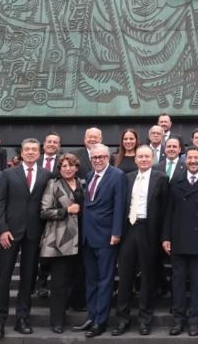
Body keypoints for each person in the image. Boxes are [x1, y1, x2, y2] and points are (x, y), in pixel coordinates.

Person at [0, 138, 49, 338]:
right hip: (10, 233)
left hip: (34, 234)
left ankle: (22, 318)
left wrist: (44, 233)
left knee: (28, 279)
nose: (31, 152)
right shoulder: (8, 174)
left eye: (34, 149)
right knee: (4, 278)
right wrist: (2, 230)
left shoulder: (46, 175)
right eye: (27, 150)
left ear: (39, 153)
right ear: (21, 153)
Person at [162, 147, 198, 336]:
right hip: (178, 238)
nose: (193, 161)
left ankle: (194, 321)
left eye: (197, 158)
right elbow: (168, 211)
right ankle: (178, 320)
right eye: (190, 158)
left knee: (197, 283)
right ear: (185, 160)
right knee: (177, 282)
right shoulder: (176, 180)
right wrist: (166, 237)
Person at [113, 146, 169, 336]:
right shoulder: (127, 178)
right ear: (135, 159)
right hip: (129, 230)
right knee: (125, 278)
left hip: (149, 231)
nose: (143, 159)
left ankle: (145, 320)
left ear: (152, 158)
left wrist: (164, 236)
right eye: (140, 157)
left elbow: (165, 211)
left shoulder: (161, 178)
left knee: (147, 278)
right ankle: (122, 319)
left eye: (147, 156)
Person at [73, 144, 126, 337]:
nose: (97, 160)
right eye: (94, 157)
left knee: (105, 280)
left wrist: (117, 232)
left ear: (108, 157)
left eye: (101, 157)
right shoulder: (89, 176)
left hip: (106, 237)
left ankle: (100, 322)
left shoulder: (117, 175)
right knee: (91, 280)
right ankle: (91, 316)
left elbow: (119, 205)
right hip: (88, 236)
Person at [39, 153, 85, 334]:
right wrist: (65, 210)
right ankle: (57, 321)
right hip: (60, 240)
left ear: (76, 167)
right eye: (64, 166)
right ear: (59, 169)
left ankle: (75, 304)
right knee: (59, 282)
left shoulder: (83, 183)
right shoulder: (53, 184)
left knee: (76, 277)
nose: (68, 169)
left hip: (81, 237)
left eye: (71, 165)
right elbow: (44, 211)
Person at [35, 132, 62, 298]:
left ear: (59, 146)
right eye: (49, 141)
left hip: (54, 215)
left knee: (49, 252)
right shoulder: (34, 161)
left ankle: (43, 283)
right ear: (44, 144)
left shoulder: (63, 163)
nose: (52, 144)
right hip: (34, 215)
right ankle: (33, 283)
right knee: (34, 253)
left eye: (55, 142)